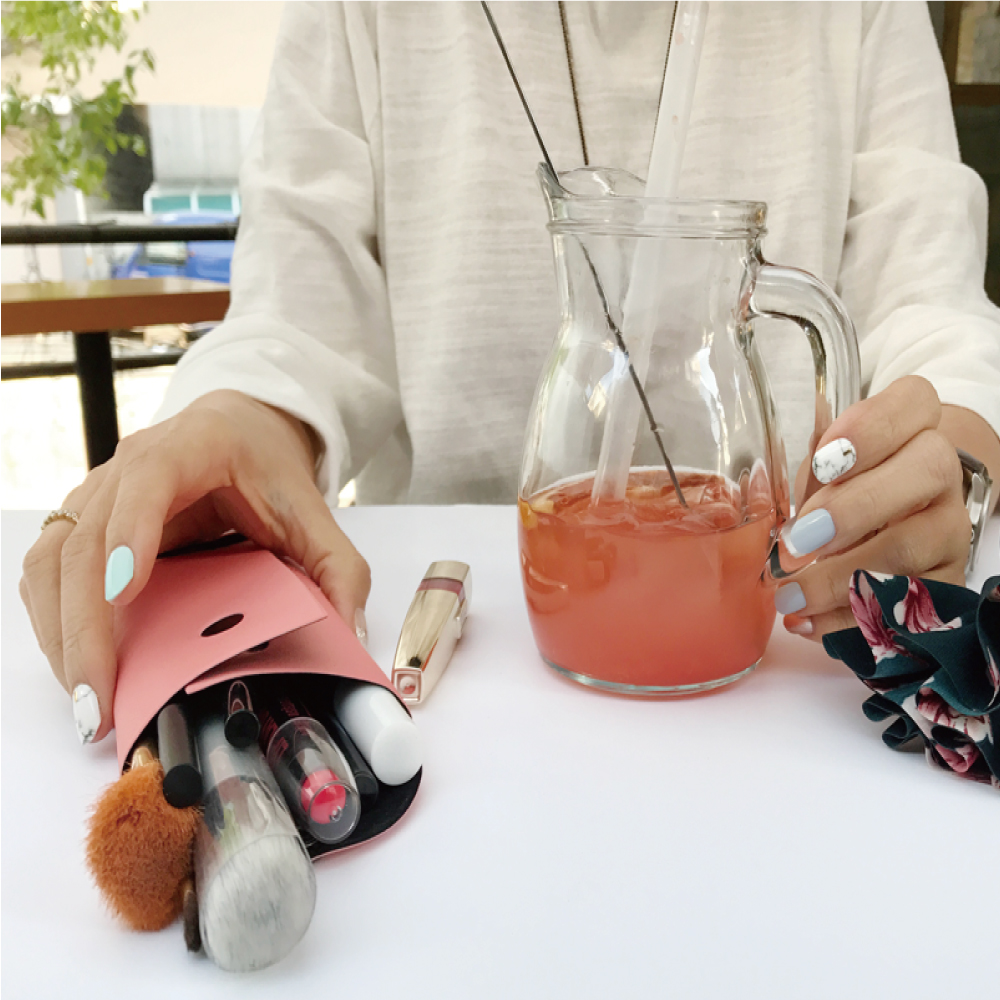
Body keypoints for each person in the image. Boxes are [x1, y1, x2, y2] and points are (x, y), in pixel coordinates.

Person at [19, 2, 1000, 745]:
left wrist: (944, 456)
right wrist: (241, 421)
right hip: (480, 708)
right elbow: (296, 316)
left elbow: (932, 304)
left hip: (781, 733)